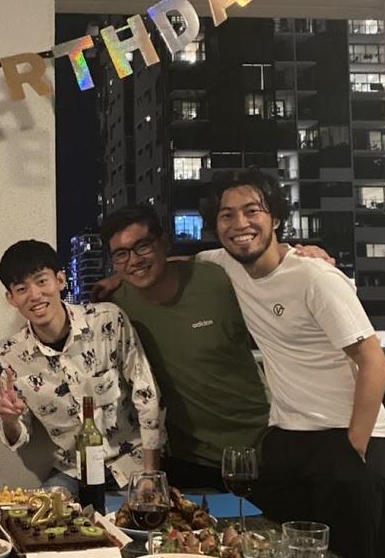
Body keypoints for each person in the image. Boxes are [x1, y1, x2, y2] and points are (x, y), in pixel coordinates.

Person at [199, 168, 385, 558]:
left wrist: (352, 449)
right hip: (287, 438)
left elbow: (374, 361)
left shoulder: (315, 276)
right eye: (226, 215)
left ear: (276, 218)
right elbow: (180, 263)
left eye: (252, 211)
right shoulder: (227, 263)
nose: (239, 224)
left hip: (347, 436)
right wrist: (115, 279)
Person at [98, 204, 270, 491]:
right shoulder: (116, 307)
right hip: (187, 459)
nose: (134, 260)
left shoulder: (216, 280)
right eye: (121, 254)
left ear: (164, 243)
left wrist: (304, 256)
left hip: (259, 446)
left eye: (143, 246)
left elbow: (271, 278)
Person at [0, 239, 163, 494]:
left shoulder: (107, 320)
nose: (35, 295)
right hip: (73, 470)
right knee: (40, 514)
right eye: (22, 289)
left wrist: (150, 474)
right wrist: (9, 421)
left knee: (142, 515)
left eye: (42, 281)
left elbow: (146, 395)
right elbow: (17, 437)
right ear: (11, 298)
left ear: (60, 280)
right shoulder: (9, 357)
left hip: (131, 462)